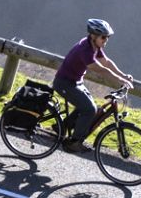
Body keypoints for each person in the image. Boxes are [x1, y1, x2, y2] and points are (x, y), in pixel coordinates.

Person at [52, 18, 132, 151]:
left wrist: (123, 75)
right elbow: (101, 69)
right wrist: (120, 80)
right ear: (94, 36)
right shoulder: (85, 49)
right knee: (89, 110)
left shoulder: (94, 45)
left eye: (107, 38)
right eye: (104, 37)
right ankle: (74, 142)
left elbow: (106, 62)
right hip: (64, 83)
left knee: (89, 105)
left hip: (76, 82)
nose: (106, 40)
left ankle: (62, 127)